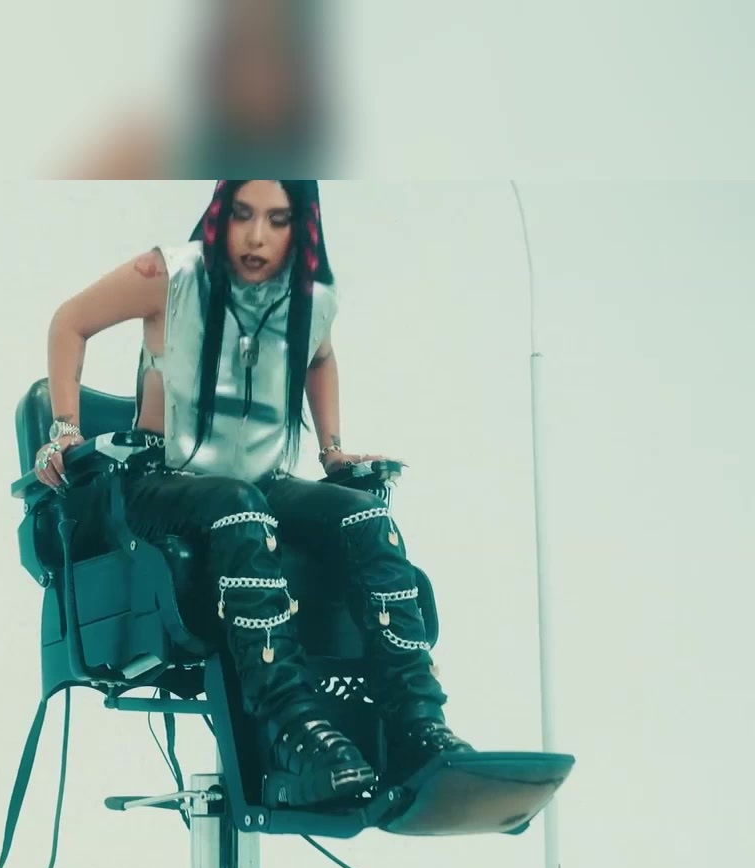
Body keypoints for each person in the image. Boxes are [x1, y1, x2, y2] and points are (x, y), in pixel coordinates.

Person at [35, 180, 473, 809]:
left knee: (364, 517)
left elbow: (320, 357)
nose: (258, 235)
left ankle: (416, 725)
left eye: (277, 218)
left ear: (302, 225)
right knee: (238, 504)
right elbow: (69, 321)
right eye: (243, 215)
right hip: (163, 480)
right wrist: (65, 429)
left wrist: (331, 449)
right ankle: (292, 727)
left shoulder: (309, 297)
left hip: (260, 484)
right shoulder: (168, 274)